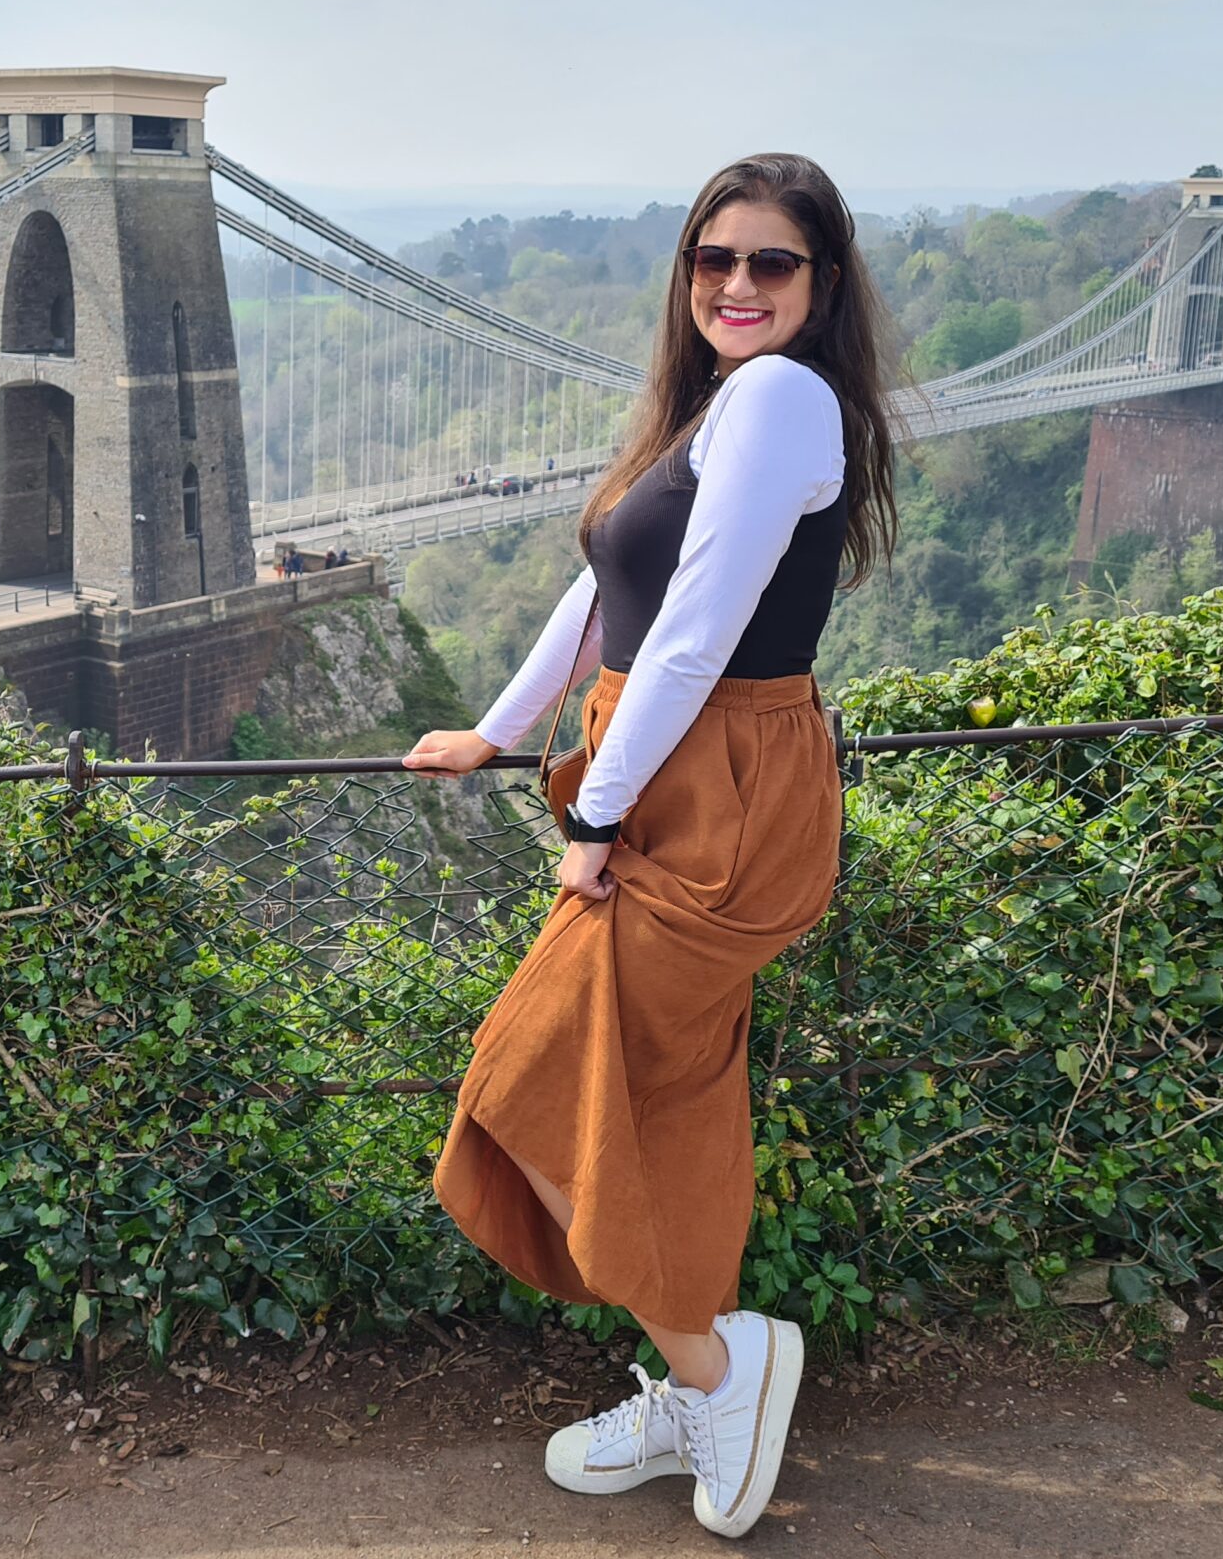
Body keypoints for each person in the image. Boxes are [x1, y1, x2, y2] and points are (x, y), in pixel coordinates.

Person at [402, 153, 898, 1539]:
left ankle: (720, 1372)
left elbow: (693, 638)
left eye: (771, 262)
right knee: (656, 1102)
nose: (737, 284)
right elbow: (605, 593)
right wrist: (497, 732)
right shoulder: (714, 407)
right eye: (712, 259)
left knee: (525, 1077)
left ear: (823, 283)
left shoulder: (782, 398)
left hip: (718, 791)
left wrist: (594, 817)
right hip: (677, 766)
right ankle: (704, 1377)